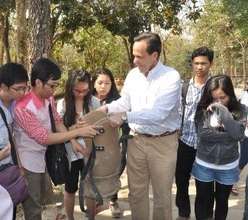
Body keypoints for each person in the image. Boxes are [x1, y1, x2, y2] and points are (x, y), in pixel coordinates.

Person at [99, 32, 181, 220]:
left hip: (163, 143)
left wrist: (124, 116)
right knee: (136, 193)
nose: (135, 61)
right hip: (136, 141)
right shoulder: (133, 75)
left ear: (154, 55)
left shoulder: (171, 77)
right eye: (133, 55)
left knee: (161, 196)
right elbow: (124, 102)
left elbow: (159, 113)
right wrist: (106, 109)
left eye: (139, 56)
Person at [13, 58, 98, 220]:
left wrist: (72, 142)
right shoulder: (23, 108)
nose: (54, 90)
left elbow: (57, 121)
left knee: (44, 201)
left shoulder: (48, 99)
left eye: (56, 85)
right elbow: (43, 137)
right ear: (38, 82)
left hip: (43, 159)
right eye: (52, 85)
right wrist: (76, 133)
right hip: (28, 163)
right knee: (33, 208)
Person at [192, 75, 246, 220]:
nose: (218, 102)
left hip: (228, 166)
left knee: (222, 202)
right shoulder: (203, 108)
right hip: (204, 163)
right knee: (203, 200)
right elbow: (203, 135)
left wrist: (225, 113)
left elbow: (239, 135)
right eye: (214, 99)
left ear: (230, 94)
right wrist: (229, 133)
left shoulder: (240, 109)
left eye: (222, 98)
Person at [175, 46, 214, 220]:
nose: (200, 67)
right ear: (192, 64)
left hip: (207, 144)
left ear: (210, 64)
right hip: (185, 141)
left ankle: (203, 216)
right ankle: (183, 213)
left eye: (204, 63)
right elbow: (176, 112)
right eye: (196, 63)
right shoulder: (182, 87)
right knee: (181, 181)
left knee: (204, 184)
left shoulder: (216, 87)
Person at [57, 69, 100, 220]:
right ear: (70, 87)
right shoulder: (63, 104)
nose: (81, 94)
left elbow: (101, 125)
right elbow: (59, 128)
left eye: (85, 90)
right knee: (70, 188)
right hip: (71, 152)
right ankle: (70, 217)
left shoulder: (94, 102)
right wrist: (74, 137)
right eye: (77, 91)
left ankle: (91, 217)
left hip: (90, 151)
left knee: (90, 186)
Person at [91, 68, 130, 218]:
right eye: (100, 82)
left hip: (113, 145)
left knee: (114, 173)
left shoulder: (117, 101)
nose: (103, 86)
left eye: (107, 83)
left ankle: (113, 200)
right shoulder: (88, 100)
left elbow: (125, 123)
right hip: (92, 145)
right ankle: (95, 200)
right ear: (93, 83)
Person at [0, 63, 29, 220]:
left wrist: (19, 165)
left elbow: (12, 137)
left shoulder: (13, 105)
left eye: (24, 88)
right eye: (18, 89)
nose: (22, 93)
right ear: (3, 86)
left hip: (9, 170)